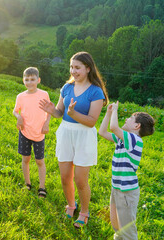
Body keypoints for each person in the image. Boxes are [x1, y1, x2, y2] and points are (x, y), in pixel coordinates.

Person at [39, 52, 108, 227]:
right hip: (66, 133)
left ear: (88, 69)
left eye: (77, 67)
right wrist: (50, 110)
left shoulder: (96, 91)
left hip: (84, 136)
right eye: (71, 67)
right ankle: (71, 204)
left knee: (80, 179)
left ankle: (84, 211)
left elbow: (92, 122)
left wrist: (74, 114)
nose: (73, 71)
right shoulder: (67, 87)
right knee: (65, 177)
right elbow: (59, 112)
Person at [98, 101, 155, 239]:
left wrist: (116, 109)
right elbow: (102, 131)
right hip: (117, 188)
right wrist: (108, 112)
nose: (126, 119)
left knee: (127, 230)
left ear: (137, 126)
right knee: (116, 225)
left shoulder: (135, 139)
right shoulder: (122, 139)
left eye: (130, 118)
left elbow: (113, 127)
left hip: (127, 192)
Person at [13, 67, 51, 198]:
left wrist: (47, 123)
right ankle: (27, 183)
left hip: (39, 132)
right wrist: (18, 117)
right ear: (23, 80)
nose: (29, 82)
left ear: (38, 80)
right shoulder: (21, 96)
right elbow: (15, 110)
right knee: (26, 159)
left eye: (32, 79)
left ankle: (42, 187)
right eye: (26, 79)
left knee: (40, 161)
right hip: (24, 132)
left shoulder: (44, 94)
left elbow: (50, 110)